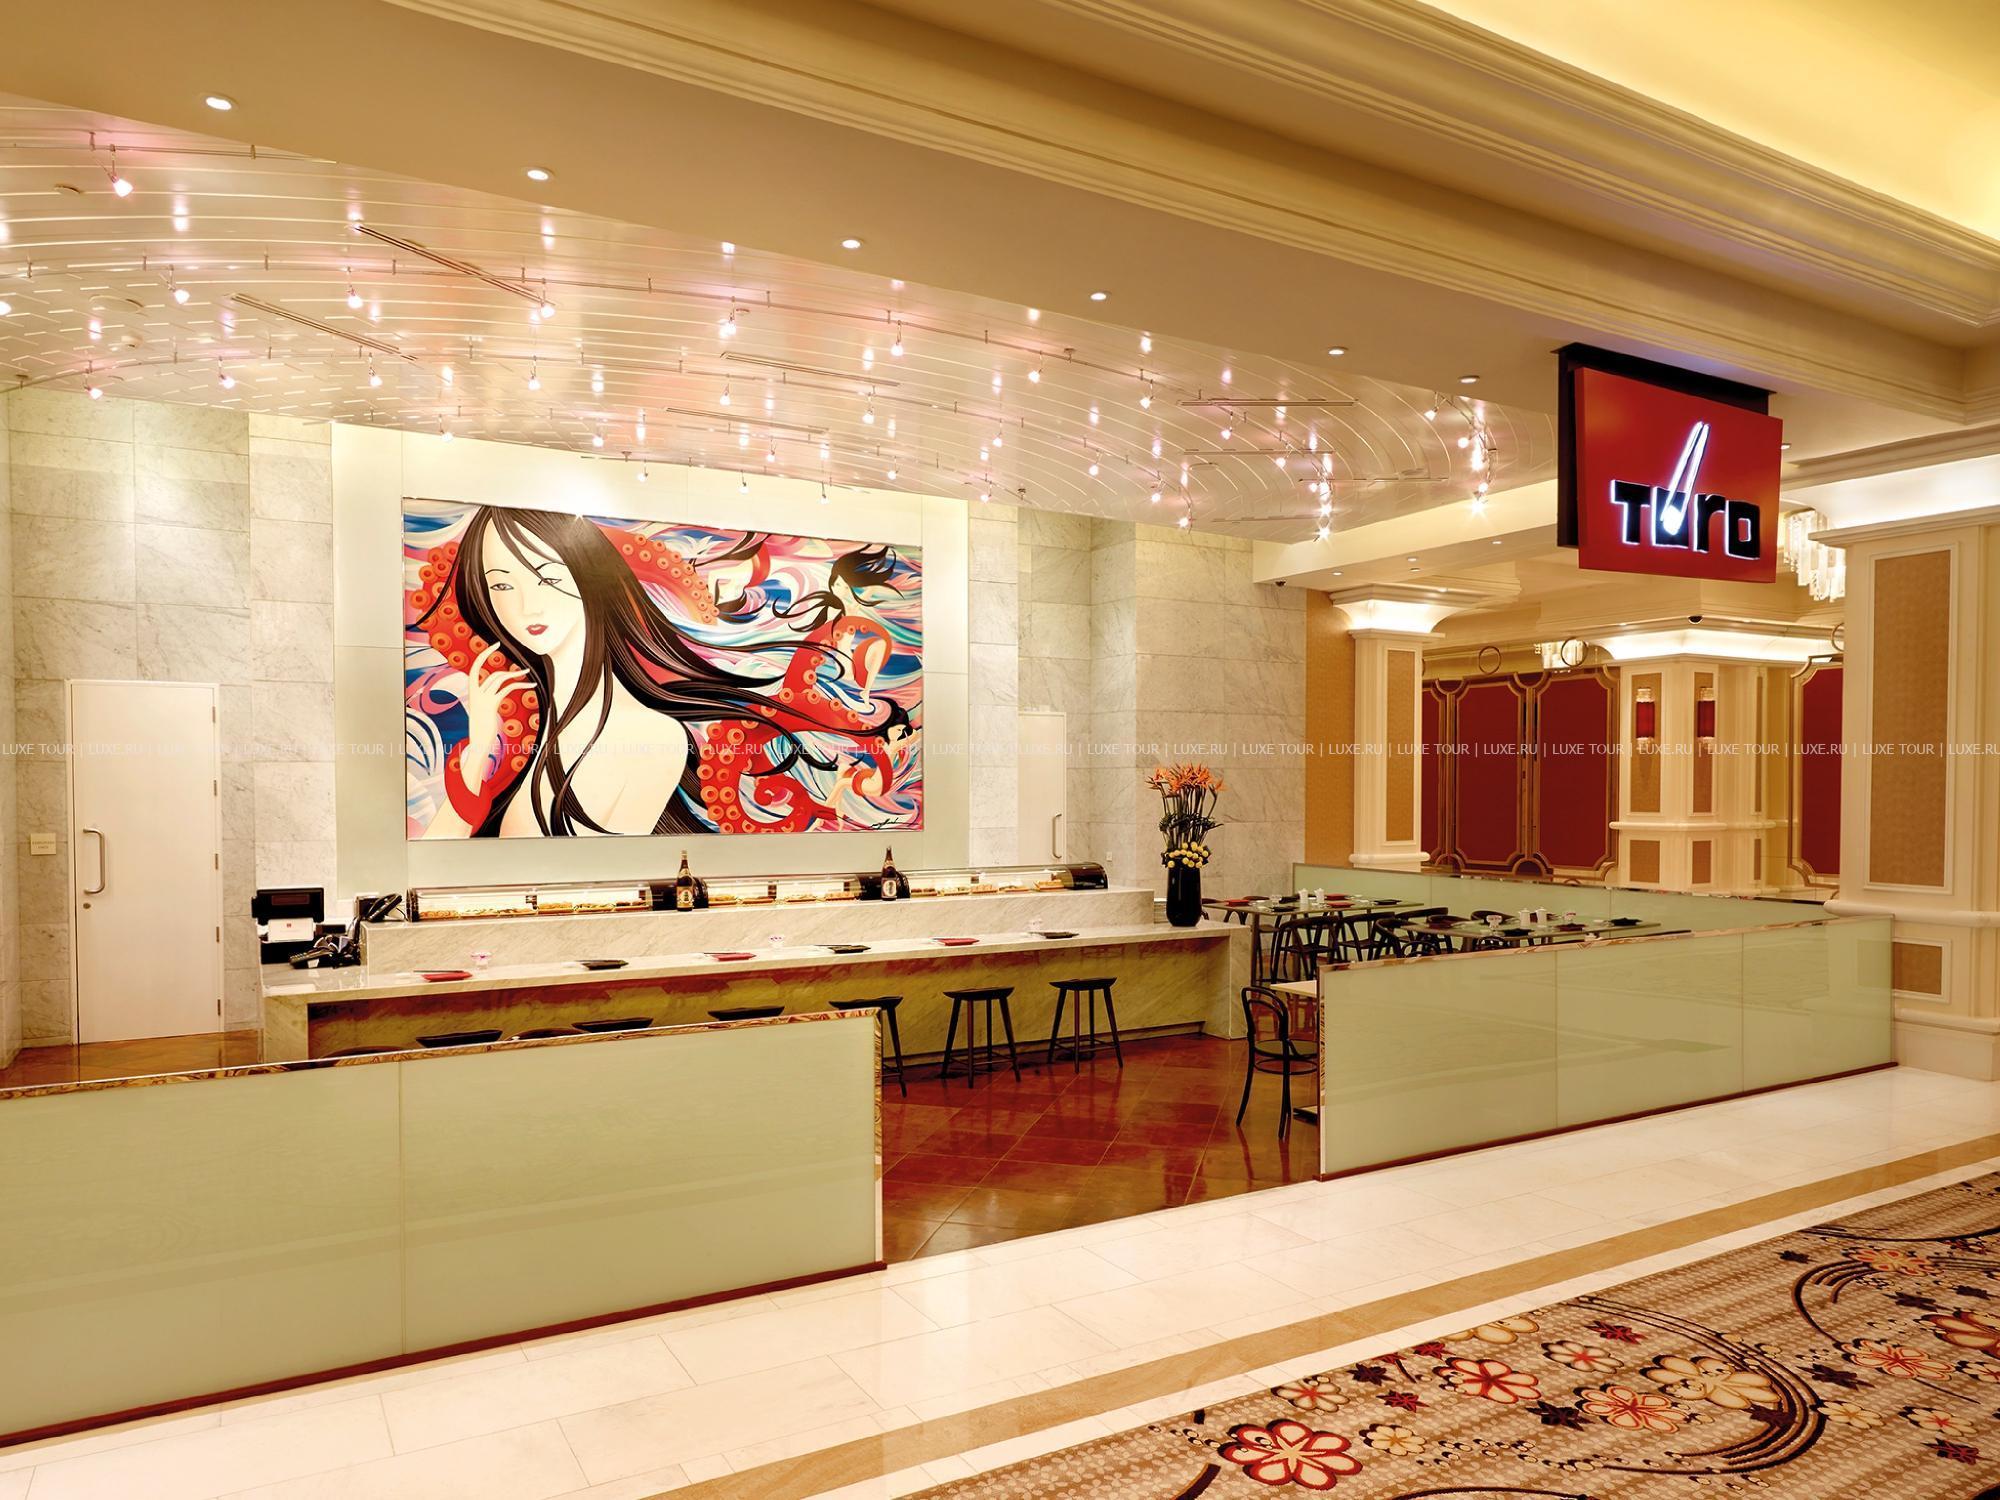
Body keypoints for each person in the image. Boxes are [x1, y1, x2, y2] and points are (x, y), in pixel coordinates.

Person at [407, 506, 911, 837]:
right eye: (501, 585)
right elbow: (434, 870)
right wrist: (480, 747)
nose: (524, 606)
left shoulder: (649, 738)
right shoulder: (534, 737)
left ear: (587, 580)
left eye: (547, 578)